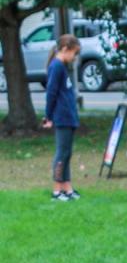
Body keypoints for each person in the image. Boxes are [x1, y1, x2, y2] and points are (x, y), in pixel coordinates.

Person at [42, 34, 81, 201]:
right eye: (74, 53)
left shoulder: (62, 66)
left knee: (67, 153)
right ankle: (56, 191)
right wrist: (48, 116)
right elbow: (51, 93)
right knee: (61, 154)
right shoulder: (56, 66)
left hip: (69, 117)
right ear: (66, 49)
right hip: (62, 117)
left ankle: (67, 188)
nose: (75, 57)